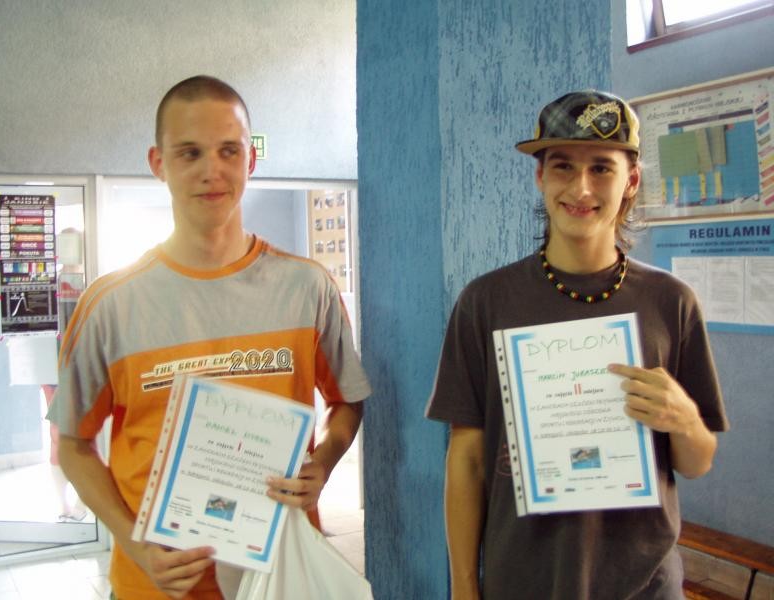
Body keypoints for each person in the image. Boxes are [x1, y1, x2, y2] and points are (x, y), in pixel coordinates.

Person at [48, 75, 371, 600]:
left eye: (228, 150)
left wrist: (324, 462)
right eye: (189, 153)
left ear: (251, 159)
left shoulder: (307, 287)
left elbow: (347, 403)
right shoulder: (109, 306)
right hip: (155, 586)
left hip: (279, 579)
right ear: (158, 163)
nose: (211, 171)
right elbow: (73, 444)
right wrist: (136, 545)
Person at [425, 90, 729, 599]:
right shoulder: (486, 302)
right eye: (563, 165)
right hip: (522, 582)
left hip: (644, 585)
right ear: (540, 177)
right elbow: (468, 460)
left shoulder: (671, 301)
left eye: (602, 168)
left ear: (631, 181)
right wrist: (463, 587)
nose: (581, 188)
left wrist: (685, 420)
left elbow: (697, 462)